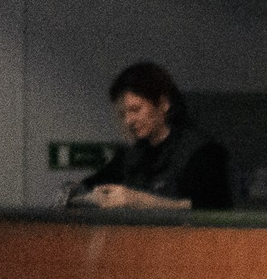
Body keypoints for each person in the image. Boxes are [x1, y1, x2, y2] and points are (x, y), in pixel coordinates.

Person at [69, 62, 232, 211]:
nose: (129, 120)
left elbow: (213, 207)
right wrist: (82, 195)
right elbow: (88, 186)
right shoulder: (131, 156)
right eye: (122, 114)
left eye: (135, 109)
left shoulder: (202, 152)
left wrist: (143, 201)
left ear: (163, 104)